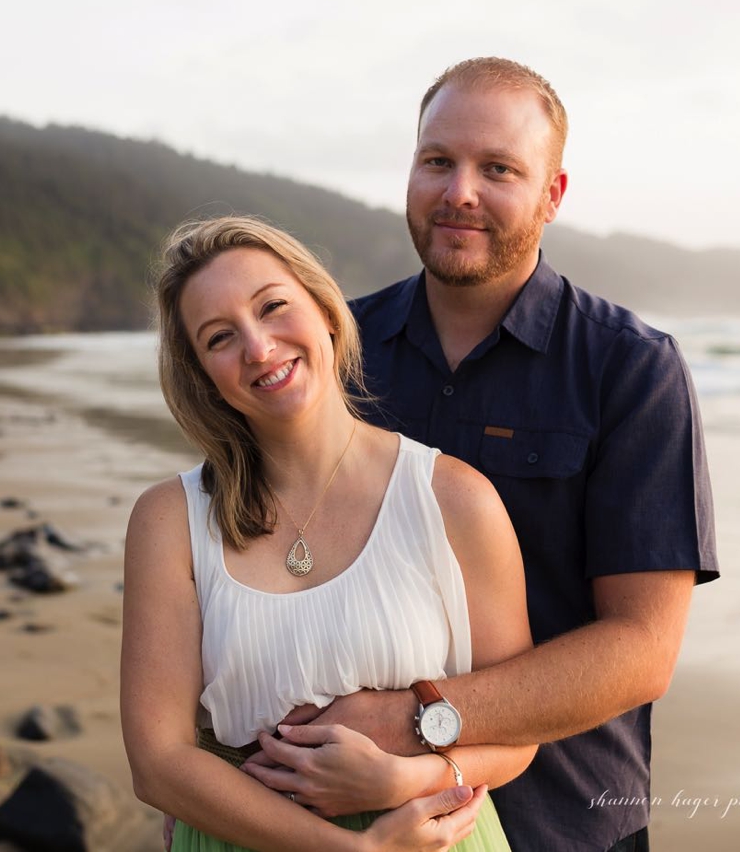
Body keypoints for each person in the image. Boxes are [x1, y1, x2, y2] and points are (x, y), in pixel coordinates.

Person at [246, 61, 716, 852]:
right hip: (338, 818)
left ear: (552, 194)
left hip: (563, 823)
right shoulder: (333, 351)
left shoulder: (630, 369)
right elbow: (259, 557)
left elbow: (640, 649)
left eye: (498, 168)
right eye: (438, 160)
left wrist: (412, 719)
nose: (459, 189)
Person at [122, 213, 534, 852]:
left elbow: (519, 730)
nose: (259, 348)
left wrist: (407, 775)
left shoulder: (455, 498)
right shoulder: (169, 521)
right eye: (220, 338)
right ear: (203, 375)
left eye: (274, 306)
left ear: (328, 311)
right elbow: (158, 761)